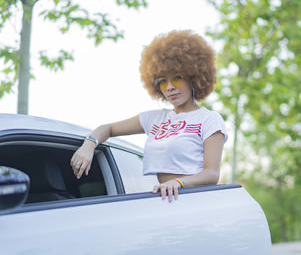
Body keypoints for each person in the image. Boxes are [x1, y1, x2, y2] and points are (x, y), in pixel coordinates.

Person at [70, 30, 227, 202]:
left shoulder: (209, 119)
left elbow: (212, 174)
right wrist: (89, 144)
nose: (169, 87)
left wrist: (178, 182)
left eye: (177, 78)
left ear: (194, 77)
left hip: (195, 200)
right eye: (162, 81)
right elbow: (108, 128)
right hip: (165, 199)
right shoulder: (154, 119)